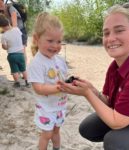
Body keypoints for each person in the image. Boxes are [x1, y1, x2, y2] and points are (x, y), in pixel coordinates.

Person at [58, 4, 129, 150]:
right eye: (106, 33)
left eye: (119, 30)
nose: (111, 38)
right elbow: (108, 102)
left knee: (116, 140)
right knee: (88, 128)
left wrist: (87, 94)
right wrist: (92, 90)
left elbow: (116, 122)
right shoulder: (115, 66)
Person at [27, 12, 68, 150]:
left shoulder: (59, 60)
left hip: (60, 106)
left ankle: (57, 148)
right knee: (47, 133)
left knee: (56, 131)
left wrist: (70, 83)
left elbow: (63, 77)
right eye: (50, 41)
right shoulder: (37, 63)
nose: (55, 46)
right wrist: (60, 88)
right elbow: (38, 88)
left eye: (58, 41)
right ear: (36, 39)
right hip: (46, 108)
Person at [0, 14, 29, 88]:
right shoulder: (16, 29)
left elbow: (5, 47)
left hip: (12, 55)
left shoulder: (4, 36)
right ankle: (27, 82)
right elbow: (20, 37)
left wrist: (5, 47)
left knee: (14, 70)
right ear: (9, 23)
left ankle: (17, 83)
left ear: (2, 27)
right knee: (23, 69)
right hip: (20, 54)